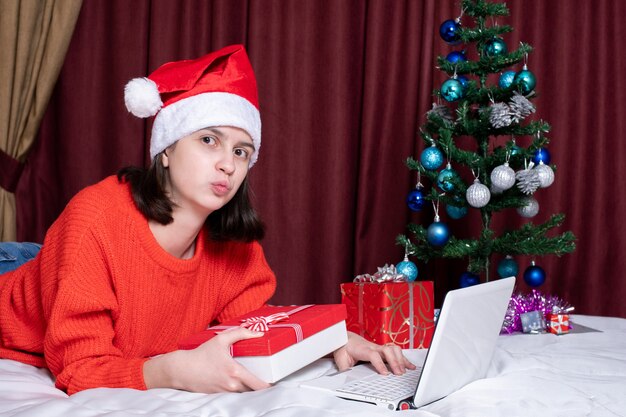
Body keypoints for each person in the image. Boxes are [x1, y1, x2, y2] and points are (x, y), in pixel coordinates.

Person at [0, 44, 414, 395]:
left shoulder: (231, 243)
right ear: (166, 148)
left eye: (241, 151)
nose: (227, 164)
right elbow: (79, 368)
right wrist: (173, 371)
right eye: (209, 140)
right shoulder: (94, 220)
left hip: (57, 266)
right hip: (21, 284)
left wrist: (333, 341)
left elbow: (255, 322)